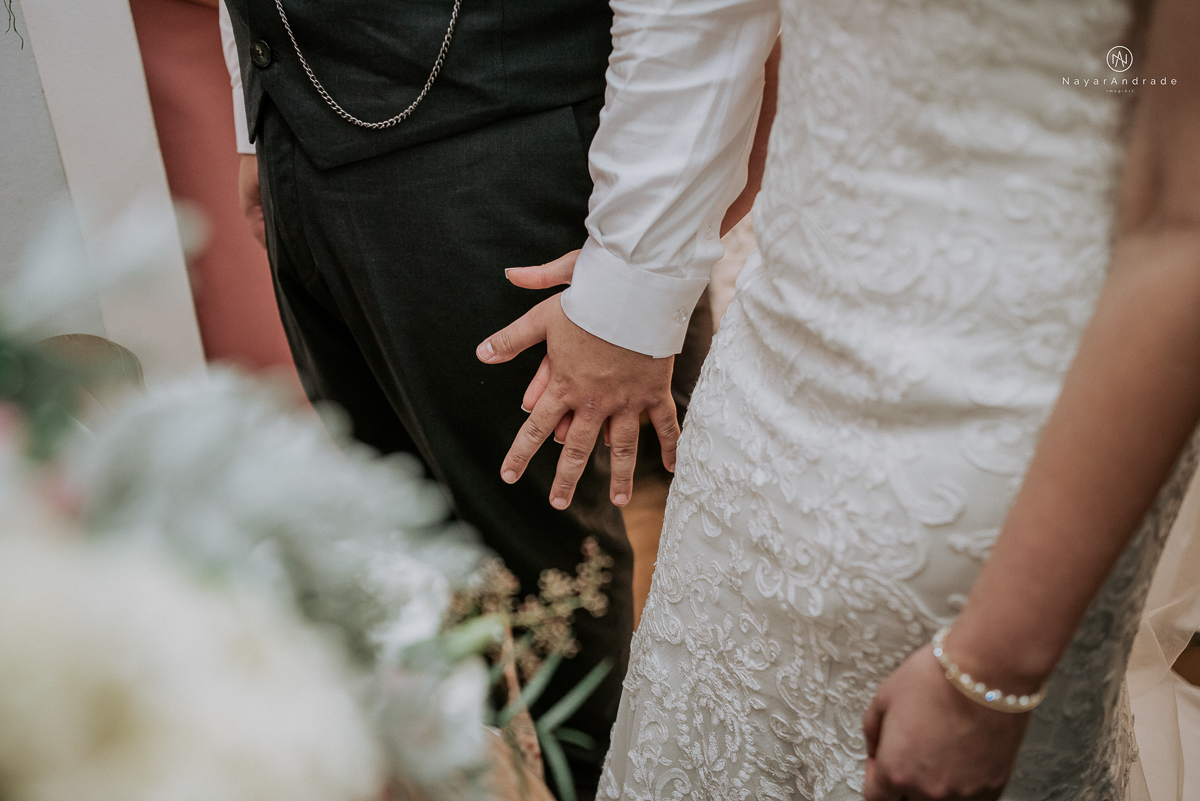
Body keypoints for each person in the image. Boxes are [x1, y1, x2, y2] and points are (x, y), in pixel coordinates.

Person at [478, 0, 1200, 798]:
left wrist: (989, 675)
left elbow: (1186, 230)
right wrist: (635, 270)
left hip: (1011, 428)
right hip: (763, 393)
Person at [216, 2, 651, 795]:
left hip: (478, 144)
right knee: (398, 528)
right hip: (295, 143)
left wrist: (635, 256)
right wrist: (256, 118)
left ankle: (599, 782)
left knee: (543, 544)